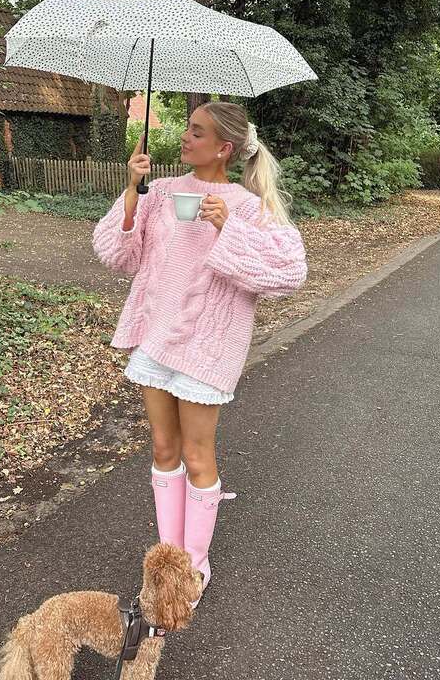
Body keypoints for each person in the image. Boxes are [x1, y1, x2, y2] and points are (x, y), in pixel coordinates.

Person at [91, 101, 308, 607]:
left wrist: (228, 228)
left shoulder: (247, 207)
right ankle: (169, 561)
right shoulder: (163, 190)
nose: (185, 139)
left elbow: (288, 273)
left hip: (208, 346)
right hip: (156, 339)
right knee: (163, 450)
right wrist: (132, 190)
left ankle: (193, 566)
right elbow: (118, 255)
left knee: (196, 454)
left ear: (224, 148)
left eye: (196, 132)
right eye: (188, 130)